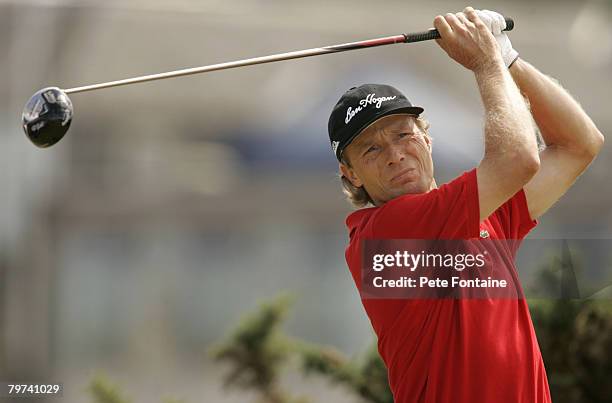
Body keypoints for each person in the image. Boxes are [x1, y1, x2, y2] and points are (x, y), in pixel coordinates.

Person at [327, 7, 604, 403]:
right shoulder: (385, 234)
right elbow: (518, 159)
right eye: (371, 148)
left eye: (404, 134)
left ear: (428, 139)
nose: (394, 154)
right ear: (350, 173)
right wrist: (486, 62)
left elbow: (580, 145)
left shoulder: (483, 214)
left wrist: (508, 57)